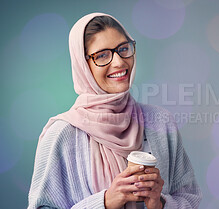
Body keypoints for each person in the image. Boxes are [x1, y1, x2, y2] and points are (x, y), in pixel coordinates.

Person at [27, 12, 201, 209]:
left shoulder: (160, 122)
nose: (119, 62)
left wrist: (160, 203)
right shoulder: (62, 134)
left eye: (123, 49)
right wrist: (105, 202)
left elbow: (190, 197)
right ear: (83, 65)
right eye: (102, 55)